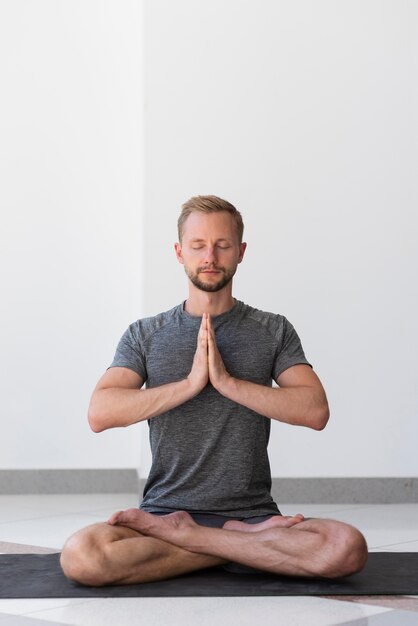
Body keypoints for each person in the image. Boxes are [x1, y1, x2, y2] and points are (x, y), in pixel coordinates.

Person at [60, 195, 368, 586]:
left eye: (222, 245)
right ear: (179, 252)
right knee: (82, 556)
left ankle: (198, 540)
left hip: (253, 514)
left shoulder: (272, 329)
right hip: (163, 514)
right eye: (198, 245)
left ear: (240, 253)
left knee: (346, 546)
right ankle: (238, 549)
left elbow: (314, 410)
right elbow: (100, 412)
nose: (210, 256)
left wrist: (228, 383)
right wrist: (190, 385)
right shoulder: (146, 334)